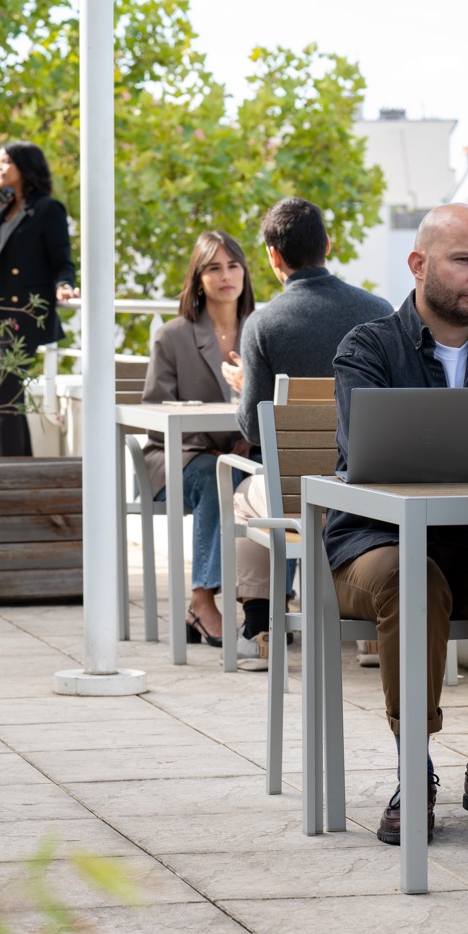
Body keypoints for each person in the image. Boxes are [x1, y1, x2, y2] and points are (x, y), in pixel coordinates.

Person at [323, 203, 468, 845]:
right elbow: (369, 449)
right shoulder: (368, 347)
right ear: (419, 263)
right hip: (374, 545)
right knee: (413, 576)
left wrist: (462, 436)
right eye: (464, 260)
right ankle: (414, 769)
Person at [220, 197, 392, 670]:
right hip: (367, 490)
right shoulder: (378, 311)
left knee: (242, 495)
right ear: (328, 245)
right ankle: (372, 636)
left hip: (298, 493)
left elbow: (255, 429)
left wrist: (244, 388)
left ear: (273, 255)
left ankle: (260, 629)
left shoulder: (263, 324)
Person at [141, 231, 256, 645]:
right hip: (178, 459)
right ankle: (202, 601)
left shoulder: (260, 331)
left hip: (243, 454)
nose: (226, 276)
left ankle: (267, 602)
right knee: (215, 475)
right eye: (214, 268)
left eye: (233, 266)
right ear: (198, 278)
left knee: (282, 477)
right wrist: (210, 445)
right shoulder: (172, 336)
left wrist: (248, 442)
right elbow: (154, 413)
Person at [0, 140, 77, 457]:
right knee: (9, 397)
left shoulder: (46, 209)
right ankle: (23, 466)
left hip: (22, 317)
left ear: (26, 167)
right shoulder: (1, 211)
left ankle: (5, 472)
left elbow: (62, 260)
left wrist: (64, 285)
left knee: (7, 395)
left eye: (6, 162)